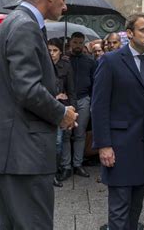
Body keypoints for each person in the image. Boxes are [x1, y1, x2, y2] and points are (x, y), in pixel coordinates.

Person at [0, 0, 78, 229]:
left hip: (15, 152)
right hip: (25, 154)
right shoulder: (25, 26)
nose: (65, 6)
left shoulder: (17, 22)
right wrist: (61, 114)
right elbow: (27, 89)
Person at [92, 13, 144, 229]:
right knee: (119, 209)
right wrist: (104, 145)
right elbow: (99, 107)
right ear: (129, 33)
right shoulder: (111, 61)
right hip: (119, 146)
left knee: (136, 207)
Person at [58, 31, 96, 181]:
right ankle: (66, 166)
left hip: (84, 99)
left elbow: (94, 82)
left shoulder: (90, 61)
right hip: (67, 101)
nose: (78, 45)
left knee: (80, 134)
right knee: (66, 134)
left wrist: (92, 100)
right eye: (75, 42)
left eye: (80, 43)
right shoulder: (64, 60)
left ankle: (78, 164)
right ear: (70, 43)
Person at [48, 38, 77, 188]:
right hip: (45, 107)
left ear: (60, 51)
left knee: (59, 141)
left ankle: (54, 171)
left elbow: (71, 89)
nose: (52, 53)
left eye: (55, 50)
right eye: (50, 50)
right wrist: (55, 95)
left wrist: (73, 109)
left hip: (62, 108)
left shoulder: (66, 66)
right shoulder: (42, 65)